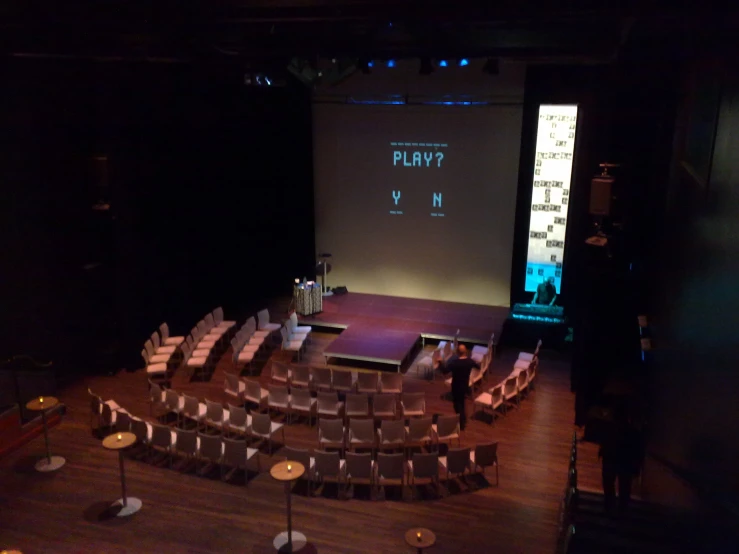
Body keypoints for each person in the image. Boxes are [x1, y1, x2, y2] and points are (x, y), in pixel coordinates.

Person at [598, 401, 643, 515]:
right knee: (624, 486)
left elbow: (604, 443)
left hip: (611, 458)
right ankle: (622, 509)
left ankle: (610, 506)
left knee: (609, 483)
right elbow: (637, 450)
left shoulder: (609, 428)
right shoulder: (633, 432)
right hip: (624, 461)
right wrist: (636, 467)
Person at [440, 344, 479, 431]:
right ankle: (463, 420)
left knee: (457, 405)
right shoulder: (470, 361)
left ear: (457, 352)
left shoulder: (455, 363)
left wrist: (440, 362)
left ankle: (461, 423)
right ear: (466, 352)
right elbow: (478, 366)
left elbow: (445, 371)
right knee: (461, 402)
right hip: (465, 386)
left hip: (456, 386)